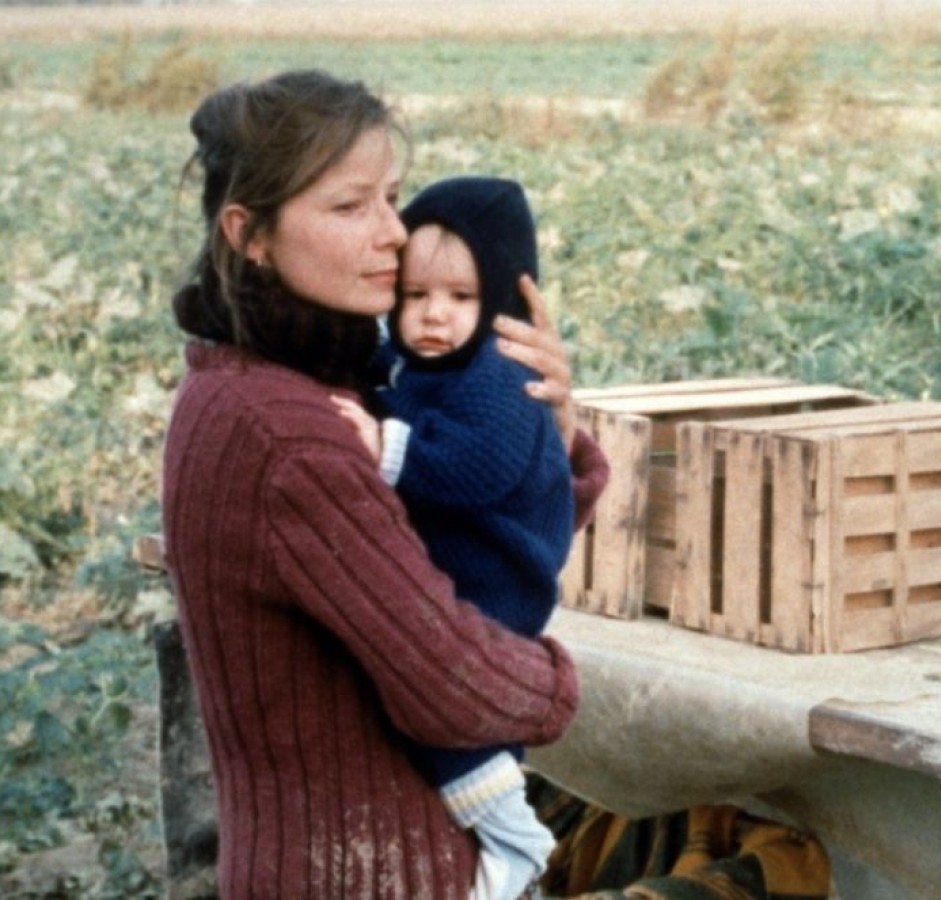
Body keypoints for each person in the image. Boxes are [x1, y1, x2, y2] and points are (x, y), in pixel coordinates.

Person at [161, 69, 609, 899]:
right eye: (348, 206)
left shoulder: (291, 383)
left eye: (392, 197)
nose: (394, 234)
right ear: (248, 234)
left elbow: (457, 539)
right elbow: (454, 682)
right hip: (362, 875)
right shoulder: (294, 436)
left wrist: (543, 433)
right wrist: (566, 689)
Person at [335, 176, 572, 900]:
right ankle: (502, 835)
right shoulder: (436, 367)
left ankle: (513, 836)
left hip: (499, 577)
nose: (434, 315)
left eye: (462, 298)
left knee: (447, 706)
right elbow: (398, 389)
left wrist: (385, 444)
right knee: (436, 710)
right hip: (463, 570)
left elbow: (481, 466)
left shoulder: (501, 375)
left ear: (499, 297)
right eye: (416, 296)